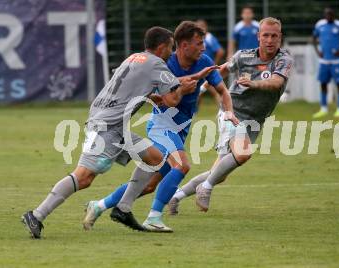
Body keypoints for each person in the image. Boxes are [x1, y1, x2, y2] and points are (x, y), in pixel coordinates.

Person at [21, 26, 198, 239]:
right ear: (161, 47)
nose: (171, 52)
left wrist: (151, 96)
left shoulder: (133, 58)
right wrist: (183, 89)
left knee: (156, 159)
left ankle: (123, 208)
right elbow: (172, 101)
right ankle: (36, 215)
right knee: (85, 176)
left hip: (113, 123)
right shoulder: (157, 64)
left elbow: (128, 88)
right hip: (107, 126)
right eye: (170, 47)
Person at [83, 21, 238, 232]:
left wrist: (228, 111)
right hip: (161, 123)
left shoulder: (205, 61)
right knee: (182, 166)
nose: (203, 48)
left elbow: (223, 91)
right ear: (183, 45)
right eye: (199, 43)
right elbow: (167, 87)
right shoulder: (164, 63)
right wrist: (192, 80)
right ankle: (154, 217)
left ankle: (99, 205)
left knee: (149, 184)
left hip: (182, 126)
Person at [168, 17, 293, 214]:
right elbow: (223, 70)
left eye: (274, 36)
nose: (270, 40)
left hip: (255, 121)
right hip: (232, 112)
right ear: (258, 37)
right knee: (242, 154)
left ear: (280, 38)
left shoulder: (284, 60)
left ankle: (175, 196)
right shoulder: (244, 56)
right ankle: (205, 188)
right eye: (266, 35)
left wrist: (255, 83)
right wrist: (205, 84)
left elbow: (276, 83)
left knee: (219, 173)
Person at [312, 8, 339, 118]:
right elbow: (314, 38)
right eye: (326, 14)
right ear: (324, 15)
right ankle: (323, 108)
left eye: (330, 14)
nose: (328, 16)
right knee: (323, 84)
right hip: (324, 61)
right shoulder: (320, 24)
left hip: (336, 61)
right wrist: (318, 51)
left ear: (334, 15)